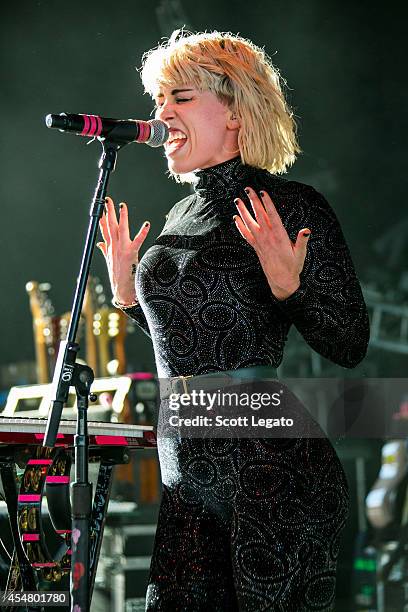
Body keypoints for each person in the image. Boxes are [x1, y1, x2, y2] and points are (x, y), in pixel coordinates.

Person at [97, 30, 370, 612]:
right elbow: (199, 346)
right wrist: (127, 301)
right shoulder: (178, 214)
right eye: (158, 101)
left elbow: (350, 342)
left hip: (272, 478)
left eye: (182, 97)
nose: (161, 114)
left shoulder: (290, 206)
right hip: (187, 479)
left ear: (237, 113)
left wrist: (291, 288)